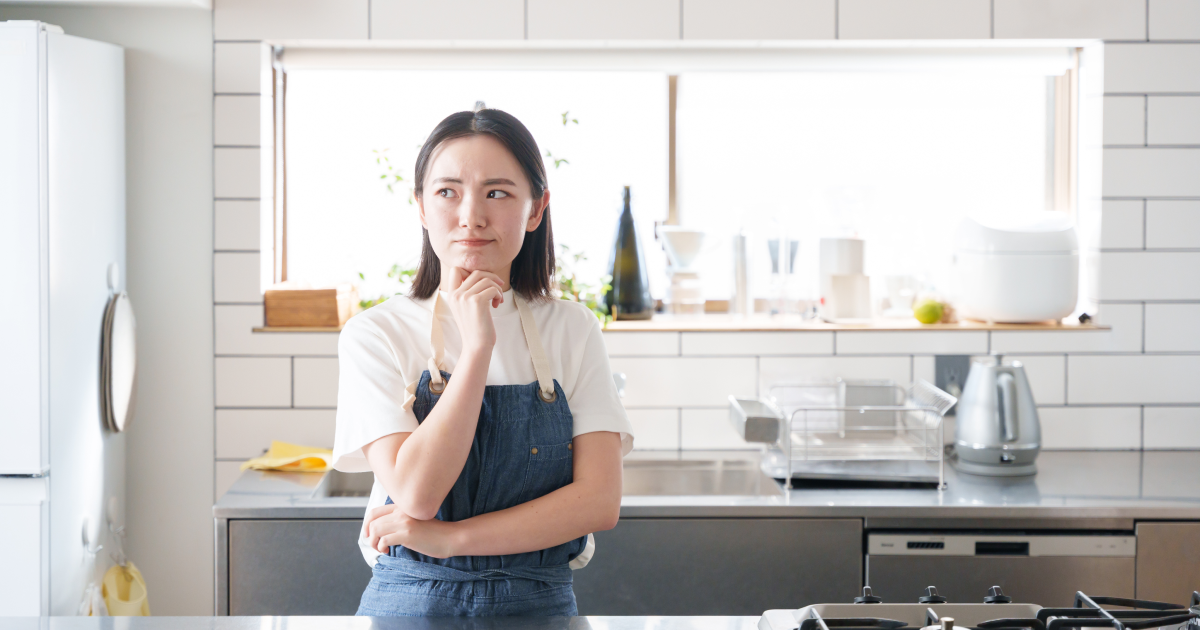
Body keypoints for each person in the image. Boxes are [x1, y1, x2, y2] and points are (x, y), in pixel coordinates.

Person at [330, 106, 634, 617]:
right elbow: (416, 494)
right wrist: (477, 349)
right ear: (422, 207)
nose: (471, 215)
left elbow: (599, 503)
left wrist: (452, 540)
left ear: (536, 210)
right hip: (410, 604)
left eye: (497, 192)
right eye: (448, 191)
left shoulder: (573, 330)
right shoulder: (375, 334)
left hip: (540, 605)